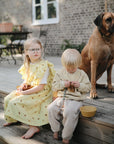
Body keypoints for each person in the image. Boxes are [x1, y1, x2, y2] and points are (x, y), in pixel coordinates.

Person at [4, 38, 55, 139]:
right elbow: (27, 80)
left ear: (41, 50)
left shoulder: (44, 66)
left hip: (41, 92)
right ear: (26, 52)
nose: (36, 52)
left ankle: (33, 126)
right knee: (8, 98)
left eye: (38, 49)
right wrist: (23, 86)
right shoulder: (28, 64)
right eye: (32, 50)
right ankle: (14, 118)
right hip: (31, 88)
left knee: (17, 102)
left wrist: (25, 93)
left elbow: (41, 87)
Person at [48, 49, 91, 144]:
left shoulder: (82, 74)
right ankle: (55, 130)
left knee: (69, 112)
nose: (71, 69)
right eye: (68, 67)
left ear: (78, 64)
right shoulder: (60, 73)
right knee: (51, 108)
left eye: (73, 67)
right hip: (61, 98)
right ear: (64, 64)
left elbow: (88, 87)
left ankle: (66, 137)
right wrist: (63, 84)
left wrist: (79, 85)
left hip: (76, 100)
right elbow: (54, 85)